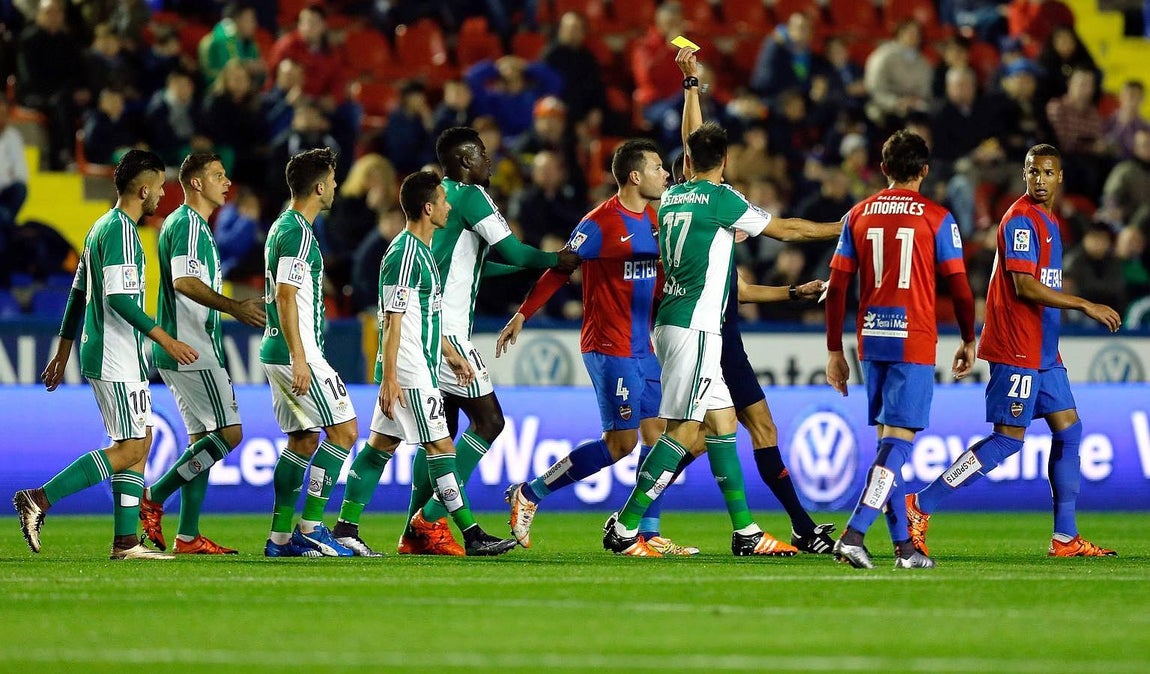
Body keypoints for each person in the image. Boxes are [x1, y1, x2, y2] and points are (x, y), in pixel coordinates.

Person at [602, 47, 843, 557]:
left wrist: (692, 87)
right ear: (726, 163)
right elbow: (788, 230)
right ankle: (625, 526)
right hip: (693, 326)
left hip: (686, 324)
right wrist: (843, 227)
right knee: (683, 428)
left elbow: (694, 142)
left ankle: (746, 532)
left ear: (687, 162)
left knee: (723, 423)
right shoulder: (722, 201)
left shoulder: (674, 195)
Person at [906, 144, 1121, 559]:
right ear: (1023, 175)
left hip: (1043, 350)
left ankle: (1065, 537)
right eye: (1032, 171)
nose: (1039, 179)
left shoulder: (1049, 220)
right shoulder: (1021, 219)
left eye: (1047, 172)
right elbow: (1024, 286)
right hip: (1017, 347)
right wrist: (1084, 304)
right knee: (1008, 441)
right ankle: (921, 504)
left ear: (1060, 178)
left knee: (1070, 429)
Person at [397, 126, 579, 555]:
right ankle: (430, 521)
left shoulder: (442, 201)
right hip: (450, 335)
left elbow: (480, 267)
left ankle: (414, 531)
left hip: (426, 330)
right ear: (463, 160)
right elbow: (513, 251)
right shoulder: (472, 196)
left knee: (441, 433)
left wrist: (526, 267)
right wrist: (556, 260)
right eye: (481, 153)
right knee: (490, 422)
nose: (489, 160)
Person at [14, 150, 199, 560]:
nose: (163, 194)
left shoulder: (99, 228)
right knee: (132, 447)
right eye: (161, 186)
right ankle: (39, 499)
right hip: (115, 354)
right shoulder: (120, 233)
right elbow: (117, 298)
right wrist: (165, 339)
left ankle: (126, 542)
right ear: (144, 188)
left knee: (140, 439)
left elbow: (79, 293)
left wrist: (62, 353)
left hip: (119, 354)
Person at [329, 171, 518, 558]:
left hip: (418, 365)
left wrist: (450, 353)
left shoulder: (422, 251)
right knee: (442, 448)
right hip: (411, 372)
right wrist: (391, 379)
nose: (449, 207)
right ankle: (470, 532)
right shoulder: (405, 253)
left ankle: (345, 528)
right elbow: (392, 320)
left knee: (379, 447)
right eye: (443, 201)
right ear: (428, 208)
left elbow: (424, 316)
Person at [825, 129, 977, 570]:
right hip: (913, 338)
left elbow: (837, 288)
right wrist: (969, 337)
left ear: (884, 169)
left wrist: (835, 349)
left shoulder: (858, 214)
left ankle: (904, 548)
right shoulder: (936, 217)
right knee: (898, 445)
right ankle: (853, 534)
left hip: (871, 339)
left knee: (889, 447)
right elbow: (960, 288)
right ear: (925, 171)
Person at [137, 153, 266, 555]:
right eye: (217, 175)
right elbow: (184, 281)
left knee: (202, 444)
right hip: (193, 348)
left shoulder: (190, 226)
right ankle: (154, 497)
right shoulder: (189, 225)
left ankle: (188, 536)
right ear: (195, 183)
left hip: (184, 348)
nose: (226, 182)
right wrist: (235, 307)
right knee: (229, 434)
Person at [260, 148, 360, 558]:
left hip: (278, 349)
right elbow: (286, 296)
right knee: (345, 431)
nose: (336, 186)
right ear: (319, 187)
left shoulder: (282, 226)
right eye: (333, 180)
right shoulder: (298, 231)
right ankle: (314, 526)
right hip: (293, 351)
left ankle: (280, 539)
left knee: (303, 440)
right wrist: (301, 357)